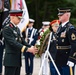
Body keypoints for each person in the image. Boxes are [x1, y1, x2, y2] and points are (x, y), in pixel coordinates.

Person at [2, 10, 38, 75]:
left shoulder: (17, 29)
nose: (19, 20)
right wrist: (27, 49)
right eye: (18, 18)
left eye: (20, 18)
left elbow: (22, 41)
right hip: (10, 60)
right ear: (12, 17)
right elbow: (13, 43)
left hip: (17, 59)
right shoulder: (7, 29)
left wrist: (31, 47)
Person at [54, 7, 76, 75]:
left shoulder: (70, 28)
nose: (59, 16)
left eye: (61, 15)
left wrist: (72, 59)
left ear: (67, 15)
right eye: (59, 14)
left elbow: (74, 44)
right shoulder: (60, 27)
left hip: (66, 58)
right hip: (59, 57)